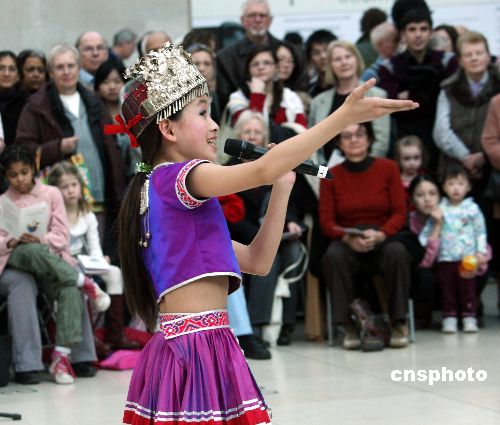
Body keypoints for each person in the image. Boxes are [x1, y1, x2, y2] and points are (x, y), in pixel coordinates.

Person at [103, 43, 417, 424]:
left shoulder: (171, 193)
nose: (215, 125)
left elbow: (258, 261)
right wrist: (341, 117)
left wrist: (281, 187)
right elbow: (260, 170)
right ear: (167, 129)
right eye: (202, 113)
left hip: (207, 342)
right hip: (194, 347)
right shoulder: (178, 177)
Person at [0, 145, 108, 383]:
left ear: (33, 169)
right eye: (13, 175)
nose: (20, 179)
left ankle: (66, 357)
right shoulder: (2, 201)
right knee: (26, 274)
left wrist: (39, 239)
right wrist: (11, 241)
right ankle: (27, 364)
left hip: (48, 259)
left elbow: (61, 236)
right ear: (5, 175)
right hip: (13, 261)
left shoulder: (51, 193)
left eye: (24, 172)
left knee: (68, 287)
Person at [15, 44, 126, 246]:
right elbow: (23, 149)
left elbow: (113, 147)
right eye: (60, 67)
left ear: (78, 68)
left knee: (99, 253)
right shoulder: (36, 106)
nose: (66, 72)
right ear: (51, 73)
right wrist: (57, 148)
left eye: (71, 66)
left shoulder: (94, 101)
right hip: (61, 200)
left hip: (100, 196)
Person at [320, 122, 412, 350]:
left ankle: (399, 323)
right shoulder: (330, 175)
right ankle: (347, 326)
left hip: (382, 235)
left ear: (369, 139)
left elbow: (400, 212)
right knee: (334, 256)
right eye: (346, 136)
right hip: (348, 237)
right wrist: (347, 238)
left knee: (397, 252)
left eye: (359, 134)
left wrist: (382, 234)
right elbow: (327, 221)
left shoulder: (389, 168)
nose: (354, 140)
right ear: (339, 143)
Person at [225, 111, 307, 346]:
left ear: (264, 137)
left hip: (276, 234)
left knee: (295, 252)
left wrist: (291, 222)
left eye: (257, 132)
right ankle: (257, 327)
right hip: (243, 237)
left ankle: (286, 325)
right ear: (238, 135)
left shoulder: (273, 166)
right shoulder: (226, 170)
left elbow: (291, 203)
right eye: (247, 132)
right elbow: (231, 217)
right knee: (269, 257)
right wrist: (264, 236)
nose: (252, 137)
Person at [47, 161, 138, 353]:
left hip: (85, 261)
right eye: (64, 187)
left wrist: (100, 261)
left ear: (80, 186)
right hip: (63, 263)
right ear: (55, 190)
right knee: (80, 277)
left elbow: (94, 248)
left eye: (74, 185)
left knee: (114, 273)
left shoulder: (87, 215)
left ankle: (115, 334)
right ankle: (90, 338)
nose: (71, 190)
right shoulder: (53, 215)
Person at [378, 6, 459, 171]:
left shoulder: (447, 60)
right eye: (412, 29)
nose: (418, 34)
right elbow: (392, 108)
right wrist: (430, 92)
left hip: (443, 140)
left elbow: (453, 101)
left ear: (431, 32)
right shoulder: (389, 66)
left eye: (423, 29)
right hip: (406, 143)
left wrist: (408, 95)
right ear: (403, 34)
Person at [419, 163, 488, 333]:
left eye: (460, 183)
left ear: (468, 187)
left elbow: (480, 231)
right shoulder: (440, 209)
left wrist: (481, 252)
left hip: (468, 258)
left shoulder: (473, 209)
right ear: (444, 187)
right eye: (451, 184)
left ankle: (469, 316)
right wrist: (424, 240)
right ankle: (449, 317)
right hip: (446, 258)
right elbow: (428, 229)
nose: (456, 188)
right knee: (447, 288)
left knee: (468, 288)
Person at [433, 31, 499, 195]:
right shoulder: (448, 88)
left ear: (488, 56)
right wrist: (466, 157)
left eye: (479, 53)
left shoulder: (498, 84)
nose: (474, 58)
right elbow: (441, 131)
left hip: (493, 166)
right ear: (460, 60)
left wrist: (484, 155)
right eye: (468, 55)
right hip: (455, 168)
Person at [309, 41, 389, 166]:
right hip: (328, 172)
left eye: (348, 56)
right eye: (337, 59)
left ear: (357, 59)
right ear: (330, 65)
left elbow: (381, 141)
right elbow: (312, 143)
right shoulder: (318, 102)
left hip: (368, 169)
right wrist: (322, 173)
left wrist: (368, 168)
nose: (344, 62)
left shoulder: (377, 95)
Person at [216, 0, 288, 108]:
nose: (257, 20)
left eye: (262, 15)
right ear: (243, 20)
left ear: (270, 20)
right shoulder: (225, 58)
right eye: (252, 16)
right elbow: (224, 99)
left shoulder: (287, 51)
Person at [227, 45, 307, 130]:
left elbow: (302, 130)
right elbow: (250, 131)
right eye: (255, 64)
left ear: (276, 68)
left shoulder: (290, 96)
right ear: (248, 70)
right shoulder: (237, 98)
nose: (261, 67)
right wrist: (256, 95)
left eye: (267, 63)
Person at [408, 175, 442, 328]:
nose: (427, 199)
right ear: (412, 200)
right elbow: (425, 262)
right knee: (424, 275)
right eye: (420, 195)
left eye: (432, 193)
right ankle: (422, 315)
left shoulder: (454, 214)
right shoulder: (410, 222)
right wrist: (436, 226)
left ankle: (469, 310)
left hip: (450, 268)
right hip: (425, 270)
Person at [394, 135, 425, 209]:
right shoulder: (395, 180)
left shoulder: (425, 177)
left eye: (416, 158)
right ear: (398, 159)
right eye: (407, 159)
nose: (412, 163)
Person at [305, 29, 337, 98]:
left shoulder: (347, 87)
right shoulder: (308, 91)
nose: (323, 56)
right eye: (316, 53)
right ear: (310, 59)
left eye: (327, 50)